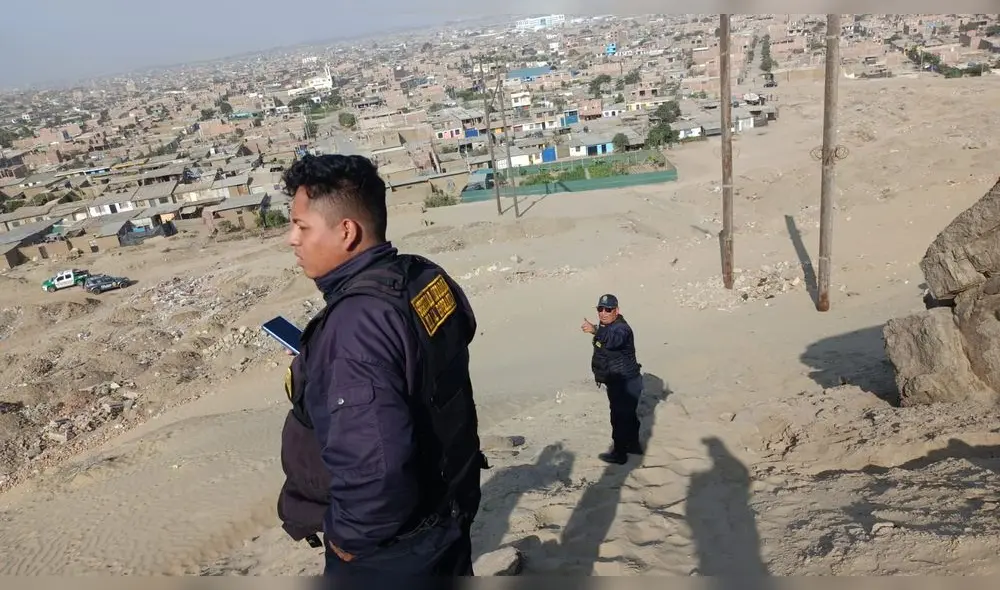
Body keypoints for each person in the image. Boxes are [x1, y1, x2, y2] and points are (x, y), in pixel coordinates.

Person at [275, 153, 488, 581]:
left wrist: (350, 542)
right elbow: (454, 337)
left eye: (301, 225)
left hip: (392, 549)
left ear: (347, 231)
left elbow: (375, 464)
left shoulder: (356, 326)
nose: (290, 239)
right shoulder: (422, 276)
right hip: (450, 504)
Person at [581, 294, 644, 465]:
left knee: (619, 417)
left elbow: (613, 340)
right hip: (621, 380)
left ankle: (620, 454)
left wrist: (594, 330)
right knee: (628, 415)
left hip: (624, 382)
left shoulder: (622, 328)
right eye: (600, 309)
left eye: (608, 309)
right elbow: (604, 340)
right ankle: (633, 446)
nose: (603, 313)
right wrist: (596, 330)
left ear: (617, 310)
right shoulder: (607, 327)